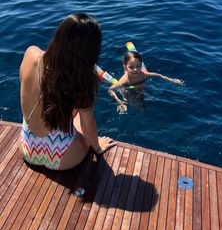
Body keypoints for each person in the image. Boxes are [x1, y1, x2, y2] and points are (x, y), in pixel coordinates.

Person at [19, 13, 116, 170]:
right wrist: (98, 147)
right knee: (80, 120)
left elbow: (29, 87)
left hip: (28, 148)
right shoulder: (82, 80)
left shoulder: (31, 54)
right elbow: (87, 126)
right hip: (63, 157)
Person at [108, 51, 184, 113]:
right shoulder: (124, 80)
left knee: (146, 103)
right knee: (136, 106)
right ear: (126, 67)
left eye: (138, 66)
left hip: (139, 85)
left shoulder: (144, 74)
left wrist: (172, 80)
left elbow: (159, 75)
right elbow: (110, 89)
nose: (135, 70)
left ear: (141, 65)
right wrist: (119, 102)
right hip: (126, 88)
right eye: (131, 67)